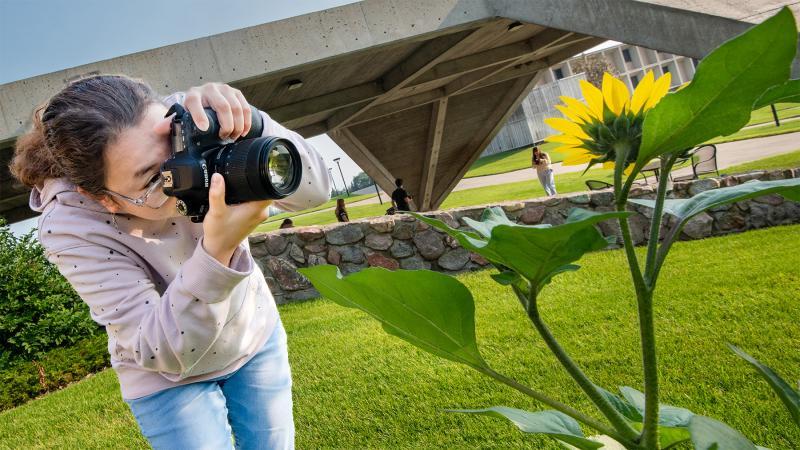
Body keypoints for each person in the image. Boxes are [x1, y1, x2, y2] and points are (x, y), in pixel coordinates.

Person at [9, 74, 331, 449]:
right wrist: (216, 252)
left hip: (252, 332)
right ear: (105, 200)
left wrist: (255, 123)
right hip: (168, 378)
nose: (187, 176)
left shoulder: (193, 121)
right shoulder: (69, 225)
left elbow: (315, 192)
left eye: (179, 153)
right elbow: (160, 347)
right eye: (152, 180)